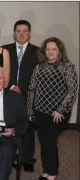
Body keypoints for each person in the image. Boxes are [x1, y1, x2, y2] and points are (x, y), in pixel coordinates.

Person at [28, 37, 78, 180]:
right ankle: (47, 170)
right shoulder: (40, 67)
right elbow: (32, 89)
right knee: (44, 142)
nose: (50, 52)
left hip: (58, 113)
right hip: (40, 111)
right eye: (48, 49)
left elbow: (72, 91)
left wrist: (60, 109)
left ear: (60, 51)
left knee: (49, 141)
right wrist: (30, 110)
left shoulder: (67, 67)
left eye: (54, 49)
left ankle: (52, 172)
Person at [2, 20, 40, 171]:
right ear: (13, 34)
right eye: (18, 31)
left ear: (29, 34)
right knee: (8, 124)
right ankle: (9, 156)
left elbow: (39, 76)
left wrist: (23, 89)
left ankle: (27, 159)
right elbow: (0, 70)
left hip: (28, 95)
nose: (22, 34)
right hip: (8, 92)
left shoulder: (38, 52)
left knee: (27, 128)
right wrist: (11, 85)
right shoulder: (5, 50)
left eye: (25, 31)